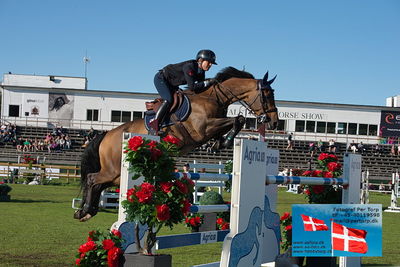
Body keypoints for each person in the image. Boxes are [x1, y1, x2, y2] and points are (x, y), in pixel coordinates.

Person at [151, 49, 218, 133]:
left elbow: (200, 89)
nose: (210, 65)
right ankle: (154, 125)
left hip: (172, 84)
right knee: (168, 99)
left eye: (211, 63)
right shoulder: (189, 67)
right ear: (200, 60)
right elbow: (192, 87)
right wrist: (207, 82)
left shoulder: (201, 72)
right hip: (161, 79)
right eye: (209, 62)